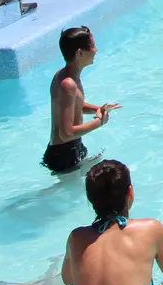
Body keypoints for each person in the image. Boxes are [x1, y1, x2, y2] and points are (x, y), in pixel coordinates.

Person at [63, 160, 163, 285]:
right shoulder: (151, 229)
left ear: (90, 198)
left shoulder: (76, 237)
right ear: (130, 192)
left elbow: (68, 280)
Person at [45, 26, 119, 175]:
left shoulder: (66, 76)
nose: (96, 50)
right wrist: (100, 121)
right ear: (80, 53)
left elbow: (74, 105)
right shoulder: (68, 84)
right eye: (92, 46)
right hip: (64, 154)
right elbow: (66, 133)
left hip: (68, 148)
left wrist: (98, 109)